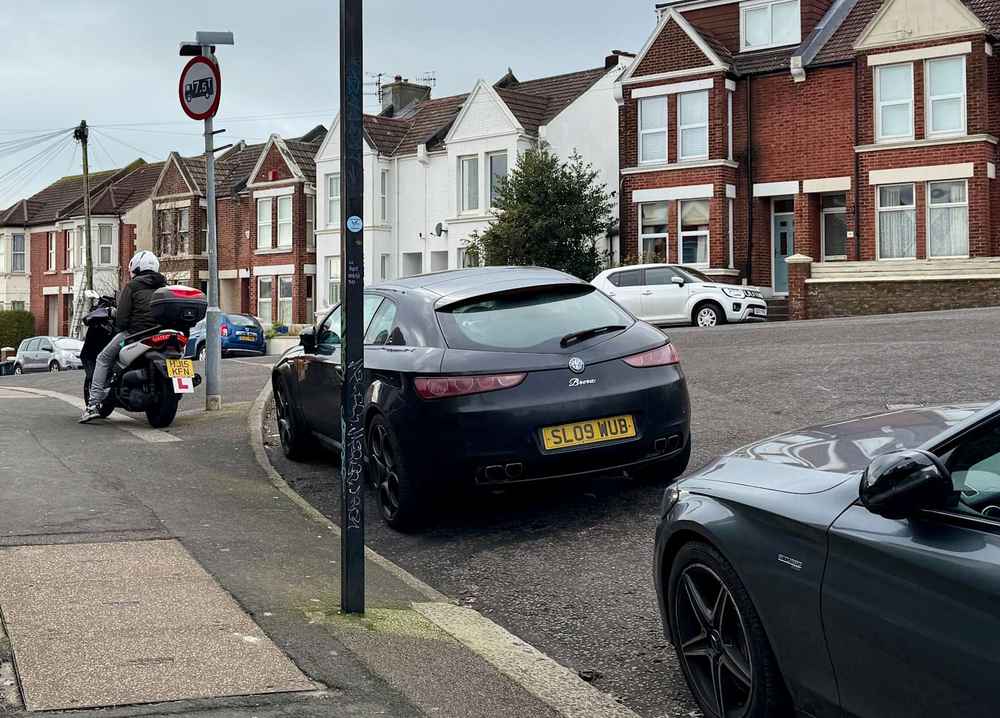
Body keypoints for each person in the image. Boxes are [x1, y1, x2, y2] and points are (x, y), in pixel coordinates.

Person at [79, 250, 167, 423]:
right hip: (161, 333)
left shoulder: (133, 286)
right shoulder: (164, 285)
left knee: (103, 358)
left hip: (135, 334)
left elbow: (122, 319)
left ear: (136, 267)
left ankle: (93, 405)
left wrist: (115, 318)